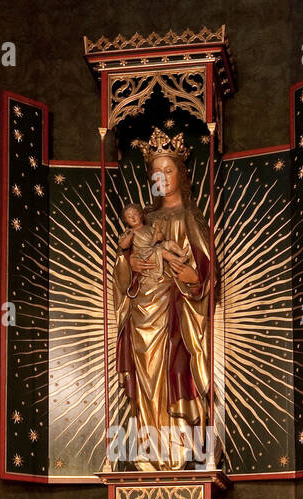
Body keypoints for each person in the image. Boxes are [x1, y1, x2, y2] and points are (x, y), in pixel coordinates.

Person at [111, 128, 213, 471]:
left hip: (174, 309)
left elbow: (204, 270)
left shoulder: (189, 217)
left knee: (174, 369)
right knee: (144, 373)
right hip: (142, 308)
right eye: (156, 172)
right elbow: (124, 270)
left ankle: (179, 444)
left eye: (168, 170)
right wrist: (128, 264)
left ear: (181, 174)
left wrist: (192, 278)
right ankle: (148, 446)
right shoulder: (145, 220)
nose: (162, 178)